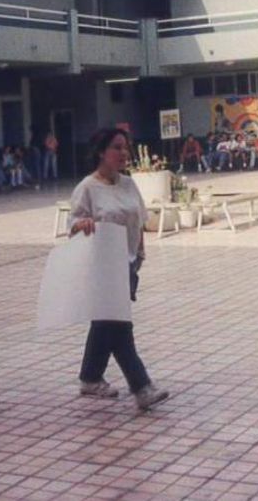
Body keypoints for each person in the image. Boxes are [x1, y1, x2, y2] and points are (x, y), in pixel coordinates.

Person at [68, 128, 169, 410]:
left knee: (105, 324)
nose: (124, 153)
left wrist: (139, 256)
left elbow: (139, 219)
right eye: (117, 147)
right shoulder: (87, 187)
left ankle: (90, 377)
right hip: (100, 267)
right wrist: (81, 225)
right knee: (120, 326)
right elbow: (72, 226)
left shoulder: (128, 184)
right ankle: (141, 386)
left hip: (126, 264)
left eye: (126, 147)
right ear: (101, 152)